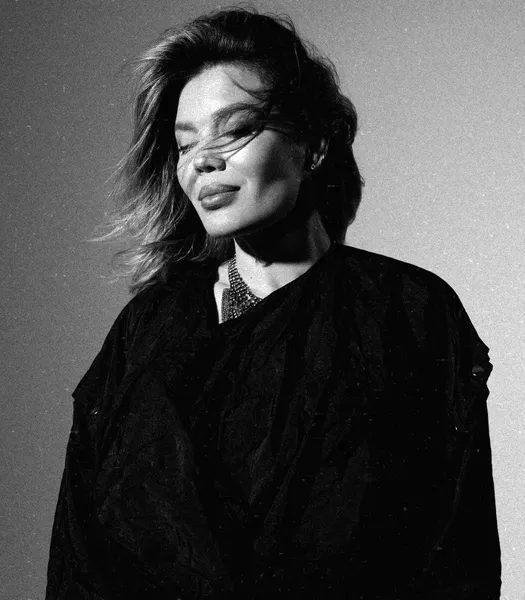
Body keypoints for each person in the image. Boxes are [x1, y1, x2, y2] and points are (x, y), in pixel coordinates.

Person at [46, 8, 501, 599]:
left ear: (312, 143)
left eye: (233, 130)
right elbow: (79, 555)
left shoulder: (409, 313)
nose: (202, 159)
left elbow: (457, 557)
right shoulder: (146, 331)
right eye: (185, 144)